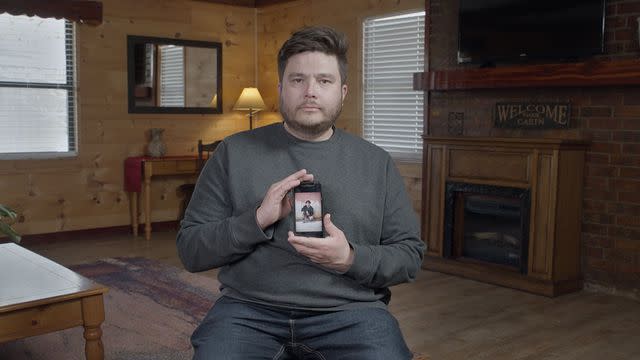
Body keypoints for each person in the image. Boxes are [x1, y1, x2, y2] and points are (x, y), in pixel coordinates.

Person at [177, 25, 425, 360]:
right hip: (249, 310)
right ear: (281, 88)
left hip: (351, 312)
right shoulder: (233, 153)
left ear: (343, 91)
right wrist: (257, 220)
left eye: (324, 81)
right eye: (298, 80)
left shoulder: (376, 163)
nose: (310, 91)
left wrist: (349, 258)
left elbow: (409, 256)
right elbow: (191, 251)